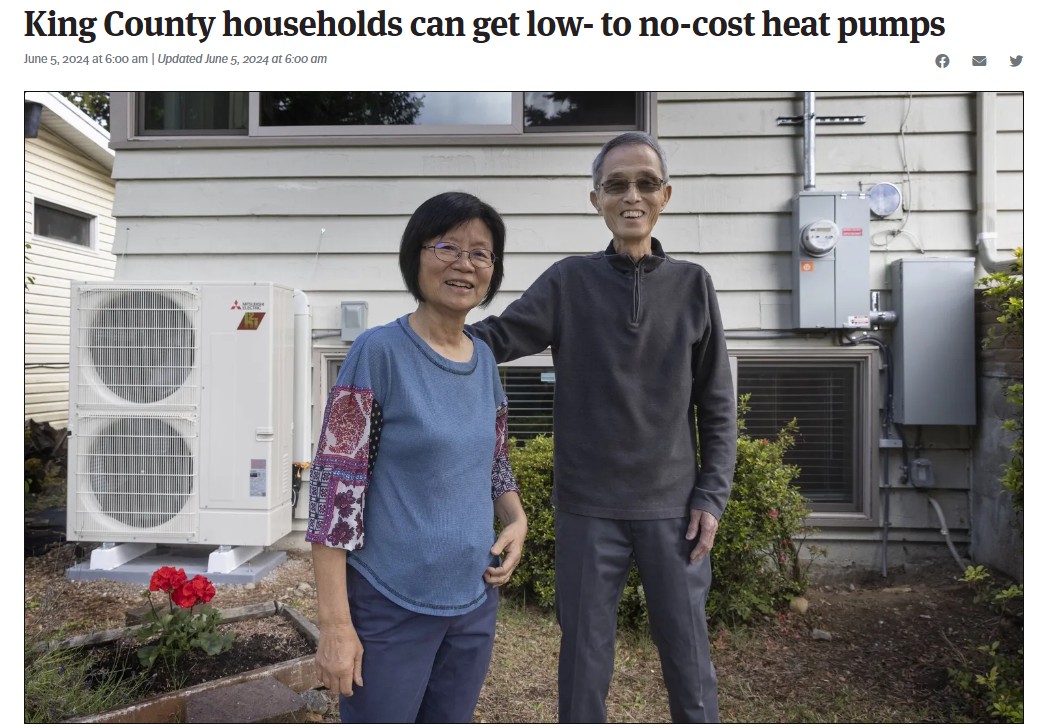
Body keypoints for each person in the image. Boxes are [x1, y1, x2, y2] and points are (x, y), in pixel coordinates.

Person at [469, 131, 737, 723]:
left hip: (674, 511)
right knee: (585, 656)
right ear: (597, 200)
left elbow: (716, 403)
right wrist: (428, 335)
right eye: (616, 185)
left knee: (687, 654)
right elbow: (499, 337)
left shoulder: (694, 285)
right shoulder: (569, 282)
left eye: (645, 183)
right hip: (588, 507)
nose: (632, 195)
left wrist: (711, 497)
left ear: (665, 195)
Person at [306, 191, 528, 723]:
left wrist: (518, 518)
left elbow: (494, 460)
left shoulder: (485, 364)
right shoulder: (378, 353)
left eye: (481, 253)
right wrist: (336, 625)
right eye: (447, 246)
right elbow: (334, 491)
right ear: (416, 256)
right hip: (389, 603)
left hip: (473, 602)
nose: (464, 264)